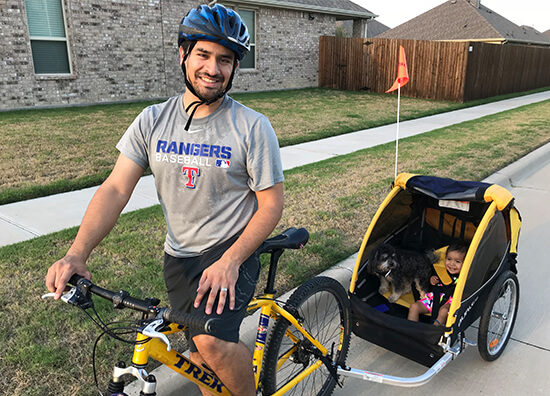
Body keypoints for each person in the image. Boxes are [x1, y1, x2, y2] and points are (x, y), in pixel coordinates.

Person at [45, 4, 284, 395]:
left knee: (212, 343)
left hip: (230, 252)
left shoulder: (252, 126)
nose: (213, 68)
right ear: (183, 55)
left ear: (235, 66)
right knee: (200, 357)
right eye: (204, 55)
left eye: (225, 59)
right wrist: (77, 253)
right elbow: (115, 189)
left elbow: (271, 203)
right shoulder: (153, 120)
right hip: (179, 257)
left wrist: (230, 261)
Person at [407, 241, 468, 326]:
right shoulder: (440, 271)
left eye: (457, 262)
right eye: (449, 259)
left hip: (450, 303)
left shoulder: (464, 277)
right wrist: (431, 280)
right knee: (414, 307)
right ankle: (411, 330)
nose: (452, 264)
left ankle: (433, 331)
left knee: (443, 312)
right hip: (434, 299)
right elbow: (430, 285)